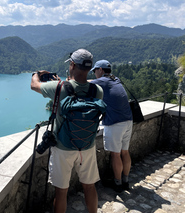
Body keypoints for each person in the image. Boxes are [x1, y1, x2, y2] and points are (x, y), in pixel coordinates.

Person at [31, 49, 103, 213]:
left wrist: (37, 73)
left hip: (63, 147)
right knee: (89, 187)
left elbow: (34, 85)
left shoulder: (59, 88)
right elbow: (81, 90)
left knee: (61, 192)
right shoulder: (97, 90)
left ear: (72, 65)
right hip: (87, 146)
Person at [90, 60, 133, 193]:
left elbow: (82, 84)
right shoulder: (116, 79)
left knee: (115, 155)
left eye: (95, 70)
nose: (94, 73)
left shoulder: (102, 81)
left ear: (101, 70)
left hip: (115, 123)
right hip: (128, 120)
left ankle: (117, 184)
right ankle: (125, 181)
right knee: (124, 152)